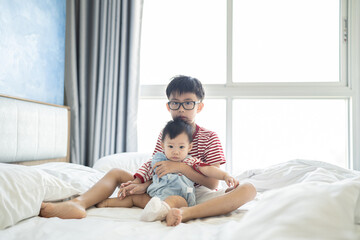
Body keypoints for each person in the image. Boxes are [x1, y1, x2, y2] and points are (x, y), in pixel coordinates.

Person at [39, 75, 256, 226]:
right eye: (175, 103)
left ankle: (183, 213)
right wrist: (142, 184)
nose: (181, 109)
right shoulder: (166, 135)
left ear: (199, 106)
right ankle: (79, 203)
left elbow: (211, 183)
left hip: (195, 193)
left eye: (188, 103)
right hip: (163, 187)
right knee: (116, 172)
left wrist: (179, 166)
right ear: (168, 106)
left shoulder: (210, 137)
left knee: (249, 189)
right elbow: (157, 167)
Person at [98, 118, 239, 225]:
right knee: (134, 198)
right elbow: (145, 171)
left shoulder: (189, 161)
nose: (176, 152)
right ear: (162, 145)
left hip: (179, 197)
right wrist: (136, 184)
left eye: (181, 147)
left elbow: (208, 169)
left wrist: (225, 175)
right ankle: (105, 203)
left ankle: (160, 213)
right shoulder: (158, 159)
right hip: (154, 194)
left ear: (189, 148)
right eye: (171, 146)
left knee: (175, 201)